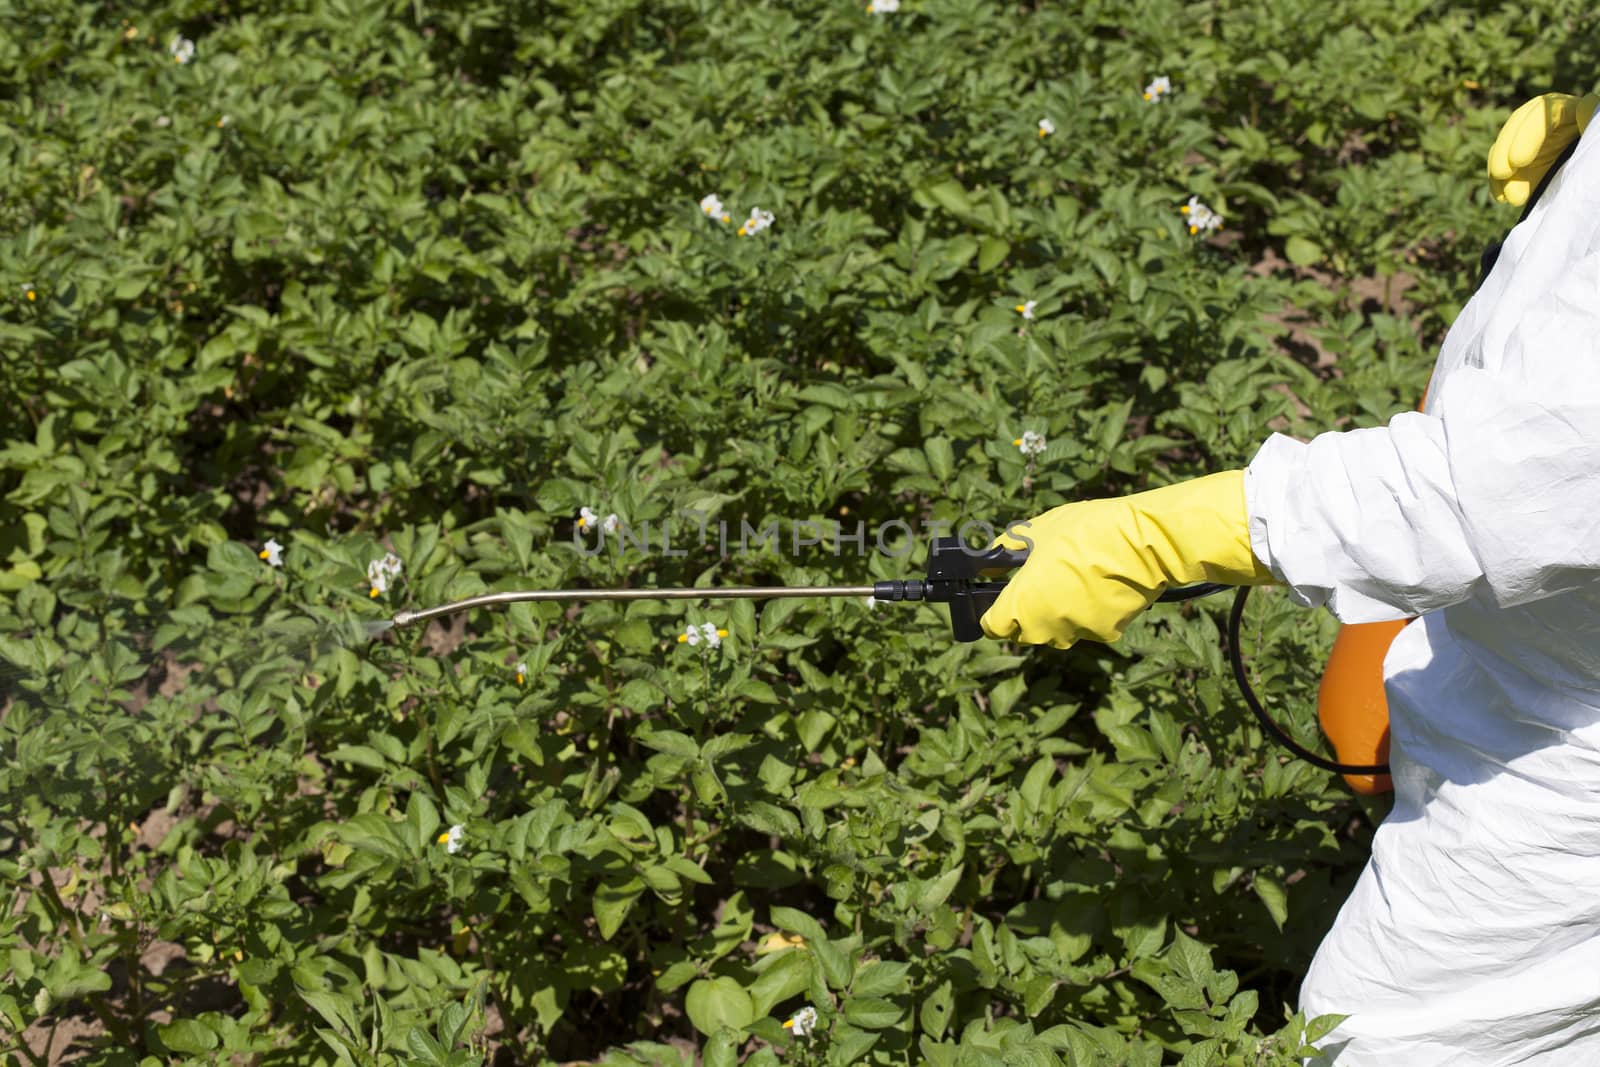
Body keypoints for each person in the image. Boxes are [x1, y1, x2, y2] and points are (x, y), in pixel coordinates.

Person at [980, 92, 1600, 1064]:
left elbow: (1515, 476)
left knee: (1385, 1035)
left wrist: (1162, 536)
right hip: (1543, 631)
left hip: (1568, 756)